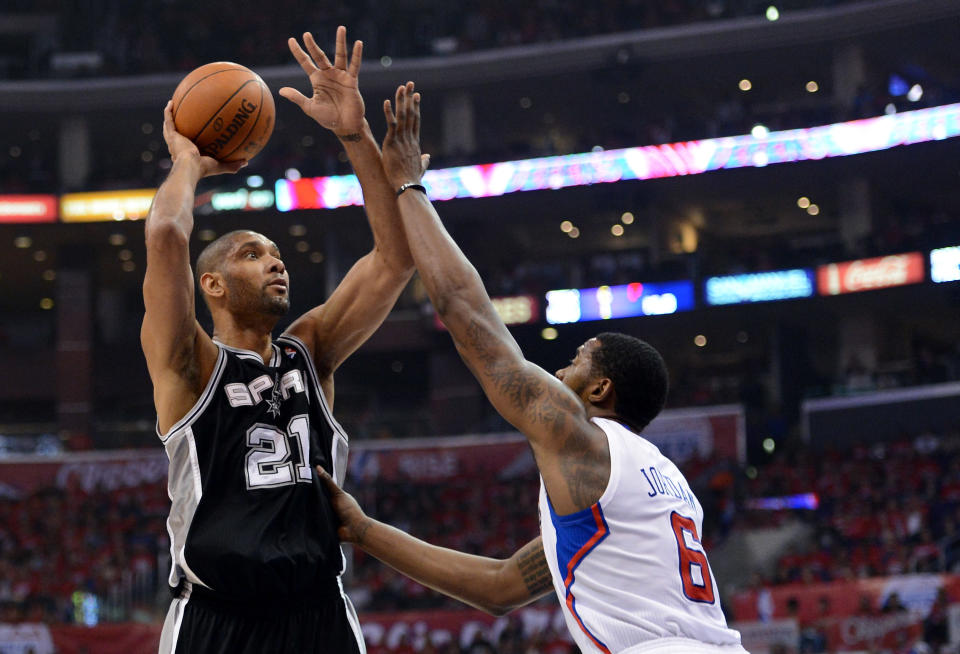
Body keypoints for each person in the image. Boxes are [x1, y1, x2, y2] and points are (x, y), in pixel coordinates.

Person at [317, 83, 747, 654]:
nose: (560, 371)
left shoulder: (582, 436)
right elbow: (501, 587)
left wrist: (408, 186)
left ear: (599, 388)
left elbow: (468, 320)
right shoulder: (652, 484)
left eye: (575, 362)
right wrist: (364, 530)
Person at [143, 27, 413, 653]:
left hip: (319, 609)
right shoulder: (189, 366)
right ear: (210, 283)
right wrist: (189, 161)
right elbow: (164, 235)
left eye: (277, 254)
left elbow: (395, 259)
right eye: (251, 253)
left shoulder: (309, 349)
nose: (276, 262)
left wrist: (354, 133)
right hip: (218, 619)